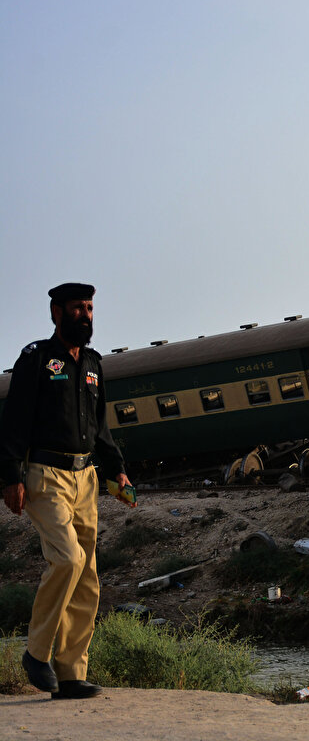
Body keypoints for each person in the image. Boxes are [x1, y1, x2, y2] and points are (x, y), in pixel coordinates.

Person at [0, 283, 134, 700]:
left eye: (90, 308)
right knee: (68, 558)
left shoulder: (93, 364)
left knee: (88, 578)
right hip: (46, 476)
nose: (86, 315)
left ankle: (72, 673)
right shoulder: (36, 358)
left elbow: (101, 427)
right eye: (78, 308)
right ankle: (36, 654)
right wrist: (10, 476)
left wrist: (118, 472)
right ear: (56, 313)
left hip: (86, 478)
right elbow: (13, 420)